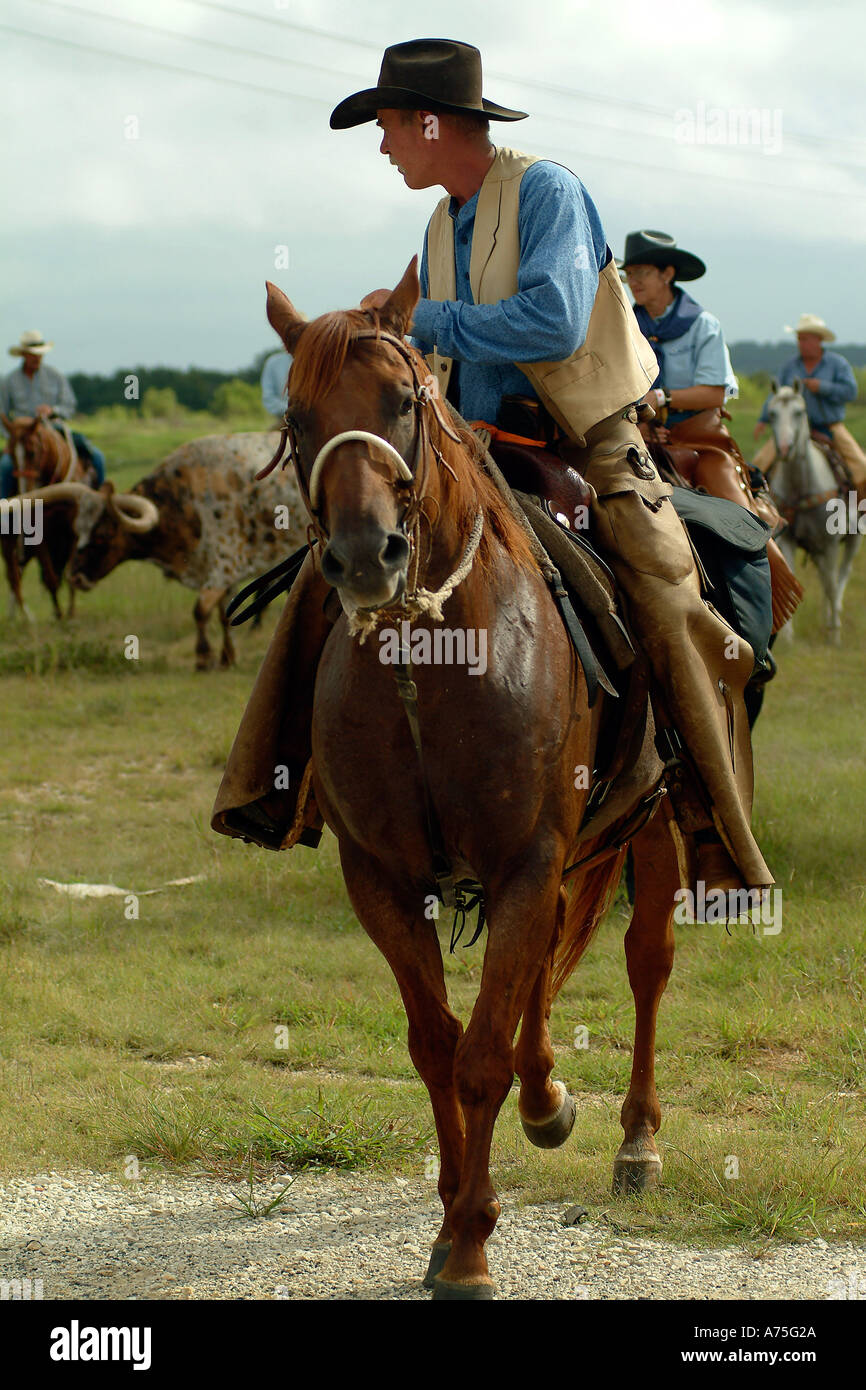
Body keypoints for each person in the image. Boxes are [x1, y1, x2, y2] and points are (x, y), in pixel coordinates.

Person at [213, 38, 772, 895]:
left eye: (391, 125)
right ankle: (280, 786)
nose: (384, 145)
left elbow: (551, 321)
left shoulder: (546, 189)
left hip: (587, 443)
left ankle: (710, 832)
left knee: (664, 595)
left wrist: (419, 323)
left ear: (434, 122)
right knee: (326, 575)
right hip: (470, 445)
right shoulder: (439, 221)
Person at [619, 230, 801, 631]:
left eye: (643, 272)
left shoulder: (703, 325)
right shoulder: (625, 323)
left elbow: (715, 391)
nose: (634, 281)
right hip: (639, 438)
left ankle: (760, 619)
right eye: (629, 273)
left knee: (741, 517)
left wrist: (663, 401)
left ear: (668, 274)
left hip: (699, 440)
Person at [753, 315, 865, 491]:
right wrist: (763, 418)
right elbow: (775, 395)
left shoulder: (837, 364)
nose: (800, 343)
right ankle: (757, 505)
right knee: (759, 465)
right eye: (799, 339)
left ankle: (860, 508)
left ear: (818, 340)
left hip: (830, 427)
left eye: (805, 339)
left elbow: (850, 392)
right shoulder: (789, 366)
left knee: (861, 466)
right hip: (793, 428)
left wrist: (822, 387)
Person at [0, 330, 106, 496]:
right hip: (22, 438)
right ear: (23, 355)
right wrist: (12, 440)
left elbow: (69, 404)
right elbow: (2, 415)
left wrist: (53, 410)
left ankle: (101, 504)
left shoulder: (55, 376)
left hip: (54, 431)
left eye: (40, 354)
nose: (37, 358)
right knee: (6, 466)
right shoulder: (9, 381)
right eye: (33, 354)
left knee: (97, 457)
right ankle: (4, 515)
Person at [260, 348, 290, 430]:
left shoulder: (316, 360)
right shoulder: (273, 363)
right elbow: (268, 398)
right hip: (283, 422)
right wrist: (290, 411)